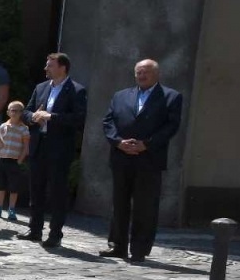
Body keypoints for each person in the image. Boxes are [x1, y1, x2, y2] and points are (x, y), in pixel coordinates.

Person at [100, 58, 183, 264]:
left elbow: (171, 126)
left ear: (156, 74)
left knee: (145, 206)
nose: (141, 76)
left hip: (149, 159)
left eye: (146, 72)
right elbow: (108, 121)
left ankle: (139, 249)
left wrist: (147, 144)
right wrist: (118, 142)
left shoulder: (171, 96)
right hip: (121, 157)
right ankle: (117, 245)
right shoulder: (120, 96)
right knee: (119, 203)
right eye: (138, 72)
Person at [19, 52, 88, 249]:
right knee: (36, 189)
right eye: (46, 64)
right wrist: (33, 117)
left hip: (59, 148)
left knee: (57, 191)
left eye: (50, 65)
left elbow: (78, 119)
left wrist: (51, 117)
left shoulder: (76, 90)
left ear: (62, 68)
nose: (46, 68)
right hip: (39, 145)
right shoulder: (41, 87)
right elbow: (26, 112)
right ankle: (34, 229)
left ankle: (55, 233)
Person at [0, 101, 31, 222]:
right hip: (2, 159)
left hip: (14, 161)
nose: (15, 113)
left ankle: (12, 209)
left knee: (14, 187)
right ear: (8, 112)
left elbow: (26, 147)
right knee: (0, 185)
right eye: (12, 110)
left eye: (18, 111)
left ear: (21, 113)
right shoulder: (3, 126)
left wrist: (20, 161)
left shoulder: (24, 129)